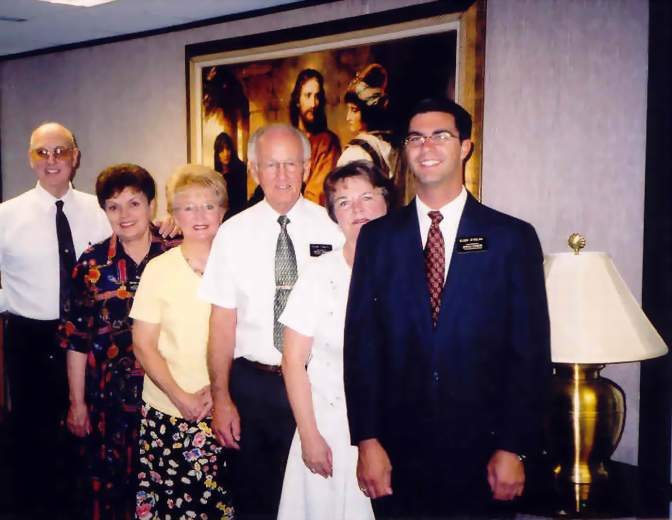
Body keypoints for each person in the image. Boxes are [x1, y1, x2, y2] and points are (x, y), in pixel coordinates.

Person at [344, 98, 551, 518]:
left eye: (441, 135)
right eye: (416, 138)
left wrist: (514, 447)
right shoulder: (378, 240)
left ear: (465, 147)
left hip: (484, 454)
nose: (427, 146)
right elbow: (362, 347)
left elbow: (528, 354)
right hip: (398, 454)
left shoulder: (512, 238)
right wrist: (367, 440)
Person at [0, 122, 112, 517]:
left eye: (61, 151)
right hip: (33, 342)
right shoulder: (5, 216)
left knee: (91, 435)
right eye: (43, 152)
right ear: (31, 159)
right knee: (34, 439)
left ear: (76, 157)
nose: (52, 160)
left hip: (91, 340)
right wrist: (12, 303)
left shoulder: (101, 209)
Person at [200, 124, 344, 518]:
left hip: (319, 385)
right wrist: (222, 397)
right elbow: (221, 323)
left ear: (306, 166)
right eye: (271, 165)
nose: (281, 175)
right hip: (254, 386)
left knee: (316, 497)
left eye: (291, 164)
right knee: (257, 499)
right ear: (254, 170)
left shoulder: (333, 229)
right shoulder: (231, 234)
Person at [277, 160, 395, 520]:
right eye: (344, 202)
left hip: (396, 428)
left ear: (387, 202)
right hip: (328, 430)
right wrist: (309, 436)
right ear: (334, 214)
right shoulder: (318, 274)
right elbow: (293, 361)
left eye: (366, 197)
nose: (357, 209)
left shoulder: (410, 268)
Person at [60, 163, 173, 519]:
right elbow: (76, 339)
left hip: (169, 396)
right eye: (113, 206)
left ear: (151, 204)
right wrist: (77, 403)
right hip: (109, 402)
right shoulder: (91, 265)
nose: (124, 215)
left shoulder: (179, 253)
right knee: (110, 493)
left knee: (165, 486)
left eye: (134, 203)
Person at [131, 164, 233, 519]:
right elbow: (143, 344)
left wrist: (218, 392)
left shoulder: (240, 265)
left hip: (229, 408)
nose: (199, 215)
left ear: (223, 211)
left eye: (209, 205)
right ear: (174, 214)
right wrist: (182, 397)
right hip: (171, 411)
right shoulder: (159, 269)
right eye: (188, 207)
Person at [337, 63, 405, 202]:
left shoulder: (355, 154)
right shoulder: (391, 146)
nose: (348, 117)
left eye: (354, 110)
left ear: (368, 112)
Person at [289, 69, 341, 206]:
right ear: (297, 100)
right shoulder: (287, 141)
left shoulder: (327, 142)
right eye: (308, 95)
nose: (314, 104)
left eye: (317, 96)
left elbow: (318, 196)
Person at [213, 132, 248, 219]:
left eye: (228, 149)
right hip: (220, 217)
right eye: (221, 150)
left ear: (232, 150)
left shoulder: (241, 169)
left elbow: (241, 201)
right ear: (217, 154)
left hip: (238, 216)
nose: (225, 154)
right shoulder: (215, 174)